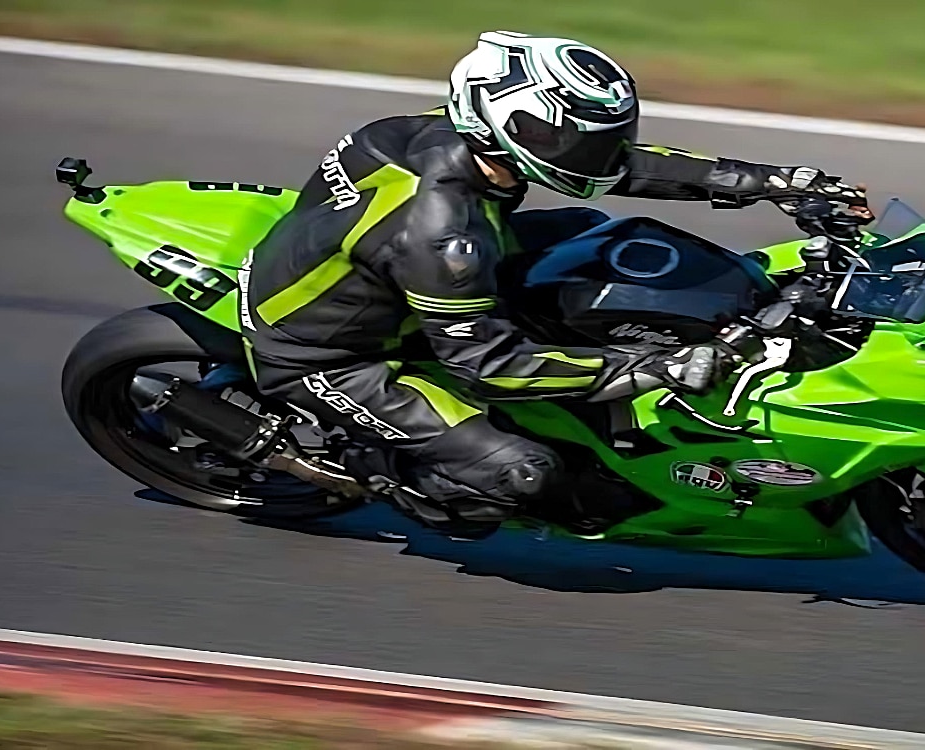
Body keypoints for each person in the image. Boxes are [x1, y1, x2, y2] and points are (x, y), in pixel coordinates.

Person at [243, 30, 871, 537]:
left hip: (388, 278)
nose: (594, 153)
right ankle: (405, 474)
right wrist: (653, 369)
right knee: (528, 473)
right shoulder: (444, 236)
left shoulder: (444, 137)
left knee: (603, 240)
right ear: (505, 124)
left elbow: (619, 167)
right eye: (570, 138)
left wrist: (772, 182)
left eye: (599, 136)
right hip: (331, 355)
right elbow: (486, 364)